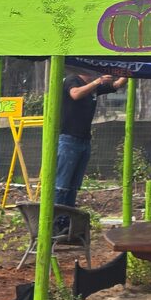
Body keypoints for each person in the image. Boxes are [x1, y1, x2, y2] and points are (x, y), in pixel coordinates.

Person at [55, 70, 127, 209]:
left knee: (73, 186)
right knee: (61, 185)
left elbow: (116, 85)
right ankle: (55, 218)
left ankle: (67, 218)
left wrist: (130, 72)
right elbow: (75, 94)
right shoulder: (72, 79)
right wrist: (97, 81)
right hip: (68, 139)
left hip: (84, 140)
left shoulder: (93, 86)